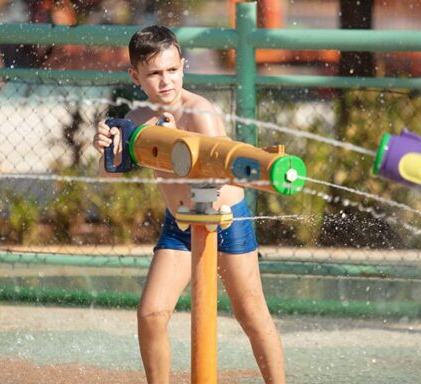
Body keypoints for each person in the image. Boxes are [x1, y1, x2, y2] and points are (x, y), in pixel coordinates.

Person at [92, 26, 286, 384]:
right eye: (153, 73)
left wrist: (173, 142)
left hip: (225, 222)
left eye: (171, 70)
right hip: (180, 224)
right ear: (135, 76)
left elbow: (222, 174)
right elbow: (108, 173)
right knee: (151, 313)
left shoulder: (201, 113)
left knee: (252, 314)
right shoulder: (137, 120)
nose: (165, 81)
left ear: (183, 66)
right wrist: (104, 145)